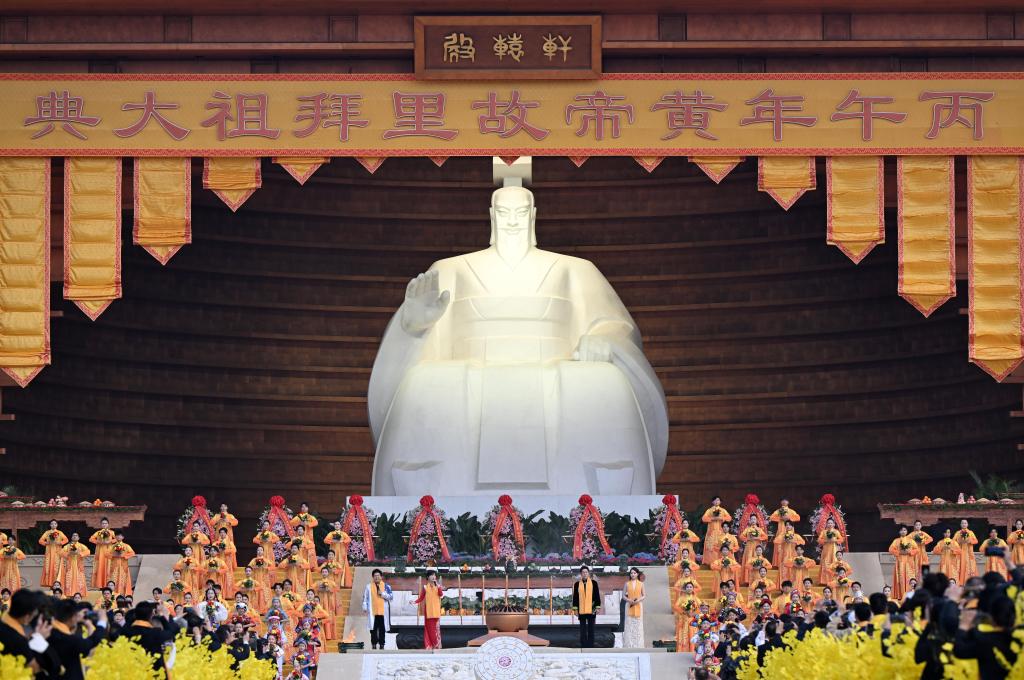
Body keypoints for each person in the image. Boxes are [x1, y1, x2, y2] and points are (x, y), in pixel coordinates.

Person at [49, 598, 107, 680]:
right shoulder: (68, 640)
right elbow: (90, 643)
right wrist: (102, 621)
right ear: (73, 617)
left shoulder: (51, 632)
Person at [123, 601, 181, 674]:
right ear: (150, 616)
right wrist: (162, 616)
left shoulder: (126, 631)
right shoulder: (154, 633)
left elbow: (127, 625)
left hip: (131, 673)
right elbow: (170, 633)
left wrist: (130, 614)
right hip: (154, 673)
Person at [413, 570, 444, 650]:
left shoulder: (438, 586)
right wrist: (414, 602)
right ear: (427, 577)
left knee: (436, 630)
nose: (433, 577)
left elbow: (441, 595)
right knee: (429, 629)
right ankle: (430, 645)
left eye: (434, 575)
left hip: (436, 611)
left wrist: (438, 586)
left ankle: (437, 645)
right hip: (428, 612)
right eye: (431, 575)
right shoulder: (425, 587)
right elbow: (421, 598)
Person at [362, 568, 393, 650]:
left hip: (383, 611)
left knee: (382, 628)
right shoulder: (368, 586)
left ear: (381, 577)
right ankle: (374, 644)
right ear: (373, 577)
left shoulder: (386, 586)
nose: (377, 577)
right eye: (375, 576)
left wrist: (382, 594)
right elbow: (365, 597)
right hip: (373, 611)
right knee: (373, 629)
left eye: (378, 575)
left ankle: (382, 644)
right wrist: (364, 606)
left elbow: (391, 597)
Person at [572, 566, 601, 648]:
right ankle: (584, 644)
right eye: (583, 572)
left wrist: (597, 607)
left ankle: (591, 645)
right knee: (582, 628)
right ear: (581, 574)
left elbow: (597, 595)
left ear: (588, 573)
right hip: (581, 609)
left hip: (592, 608)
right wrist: (575, 609)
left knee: (591, 628)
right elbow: (575, 597)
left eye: (586, 572)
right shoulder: (577, 584)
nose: (585, 574)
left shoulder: (594, 583)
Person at [888, 526, 919, 600]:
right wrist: (899, 552)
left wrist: (910, 552)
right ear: (899, 532)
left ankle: (911, 595)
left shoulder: (911, 540)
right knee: (900, 578)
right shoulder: (896, 541)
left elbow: (917, 549)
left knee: (910, 578)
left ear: (907, 531)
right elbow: (890, 549)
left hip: (909, 563)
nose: (903, 531)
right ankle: (901, 596)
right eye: (901, 530)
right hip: (900, 563)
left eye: (904, 530)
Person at [58, 533, 90, 598]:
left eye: (76, 536)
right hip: (70, 566)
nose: (75, 537)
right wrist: (69, 553)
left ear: (78, 538)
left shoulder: (81, 546)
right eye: (73, 536)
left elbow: (88, 551)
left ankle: (79, 594)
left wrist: (79, 553)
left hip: (79, 566)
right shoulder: (67, 546)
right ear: (71, 538)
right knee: (69, 579)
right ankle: (69, 593)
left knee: (79, 579)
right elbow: (61, 552)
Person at [37, 520, 68, 588]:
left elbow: (66, 540)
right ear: (50, 525)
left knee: (57, 568)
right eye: (52, 524)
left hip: (57, 553)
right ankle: (50, 584)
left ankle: (57, 584)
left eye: (55, 524)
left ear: (57, 525)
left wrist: (60, 543)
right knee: (49, 567)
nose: (53, 525)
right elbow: (40, 541)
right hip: (49, 553)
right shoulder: (47, 532)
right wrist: (46, 543)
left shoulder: (60, 532)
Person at [702, 498, 732, 566]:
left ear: (720, 502)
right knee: (710, 547)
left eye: (718, 500)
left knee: (720, 545)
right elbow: (704, 518)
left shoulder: (723, 510)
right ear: (712, 502)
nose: (716, 501)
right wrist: (712, 518)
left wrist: (722, 518)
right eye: (715, 500)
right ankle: (710, 562)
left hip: (720, 532)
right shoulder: (709, 510)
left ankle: (721, 562)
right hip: (711, 532)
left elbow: (729, 518)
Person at [674, 581, 702, 652]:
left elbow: (701, 607)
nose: (689, 588)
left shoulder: (695, 598)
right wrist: (684, 611)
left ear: (693, 588)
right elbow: (676, 606)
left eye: (690, 587)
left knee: (693, 634)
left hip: (692, 620)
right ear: (685, 589)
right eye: (687, 587)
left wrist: (694, 613)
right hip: (684, 620)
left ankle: (693, 650)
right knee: (684, 635)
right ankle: (683, 650)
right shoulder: (681, 598)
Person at [312, 566, 339, 640]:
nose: (324, 573)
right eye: (323, 572)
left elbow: (337, 589)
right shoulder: (318, 582)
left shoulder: (331, 582)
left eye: (325, 572)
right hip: (320, 601)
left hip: (329, 602)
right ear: (321, 573)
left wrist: (329, 589)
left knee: (328, 615)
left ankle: (329, 635)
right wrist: (318, 589)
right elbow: (311, 588)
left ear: (328, 573)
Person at [89, 518, 116, 589]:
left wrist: (110, 541)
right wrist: (99, 542)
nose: (104, 525)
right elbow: (91, 539)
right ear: (101, 524)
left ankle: (109, 585)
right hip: (100, 552)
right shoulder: (98, 533)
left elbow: (117, 539)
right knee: (100, 566)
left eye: (106, 523)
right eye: (103, 523)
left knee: (109, 566)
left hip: (109, 551)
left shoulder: (111, 532)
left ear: (108, 524)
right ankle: (100, 585)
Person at [739, 518, 767, 586]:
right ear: (750, 521)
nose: (753, 520)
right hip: (749, 547)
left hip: (757, 547)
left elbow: (765, 536)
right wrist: (748, 539)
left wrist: (758, 538)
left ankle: (758, 579)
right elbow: (741, 536)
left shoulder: (759, 529)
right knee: (749, 561)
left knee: (757, 561)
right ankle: (747, 580)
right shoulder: (747, 529)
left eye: (754, 519)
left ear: (756, 521)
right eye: (752, 519)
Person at [816, 517, 845, 584]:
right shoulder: (824, 532)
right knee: (826, 564)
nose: (830, 524)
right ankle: (825, 581)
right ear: (826, 524)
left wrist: (835, 540)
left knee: (834, 564)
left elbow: (841, 539)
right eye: (828, 523)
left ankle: (834, 580)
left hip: (834, 549)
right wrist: (826, 540)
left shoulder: (836, 532)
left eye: (831, 523)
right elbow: (819, 540)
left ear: (834, 524)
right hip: (826, 550)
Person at [324, 522, 352, 587]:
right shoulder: (331, 533)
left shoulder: (343, 533)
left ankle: (342, 582)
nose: (337, 525)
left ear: (340, 526)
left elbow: (349, 539)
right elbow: (325, 540)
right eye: (336, 524)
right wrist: (332, 541)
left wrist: (343, 541)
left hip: (342, 552)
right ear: (334, 526)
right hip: (333, 552)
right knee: (332, 565)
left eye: (338, 524)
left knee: (341, 566)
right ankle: (332, 582)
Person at [623, 567, 645, 648]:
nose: (633, 574)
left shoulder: (641, 584)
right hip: (629, 605)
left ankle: (638, 644)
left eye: (634, 573)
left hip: (638, 605)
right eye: (631, 573)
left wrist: (638, 600)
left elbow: (644, 595)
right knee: (629, 624)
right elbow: (623, 596)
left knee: (638, 624)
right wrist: (629, 600)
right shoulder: (627, 584)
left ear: (637, 574)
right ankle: (629, 644)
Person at [108, 531, 136, 596]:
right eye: (117, 535)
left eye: (120, 535)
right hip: (114, 567)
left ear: (123, 537)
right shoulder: (112, 546)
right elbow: (106, 554)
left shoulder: (126, 546)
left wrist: (123, 555)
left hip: (123, 567)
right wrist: (114, 555)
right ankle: (114, 595)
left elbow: (132, 553)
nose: (118, 537)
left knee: (123, 581)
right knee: (114, 580)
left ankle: (123, 595)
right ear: (115, 537)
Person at [955, 519, 979, 584]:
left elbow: (976, 541)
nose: (964, 524)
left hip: (969, 554)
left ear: (967, 524)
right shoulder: (958, 533)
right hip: (960, 554)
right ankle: (960, 582)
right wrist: (959, 542)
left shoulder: (971, 532)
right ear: (960, 525)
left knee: (970, 567)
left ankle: (970, 582)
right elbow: (953, 542)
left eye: (965, 523)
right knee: (960, 566)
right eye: (962, 523)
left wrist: (970, 541)